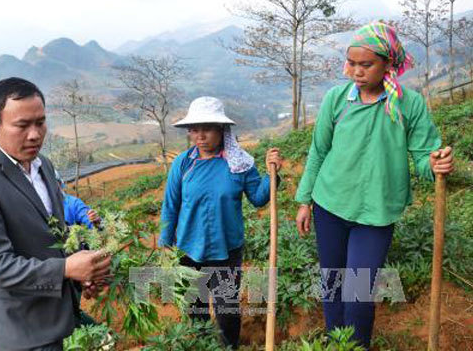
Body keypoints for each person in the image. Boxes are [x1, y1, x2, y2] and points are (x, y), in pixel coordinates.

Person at [294, 22, 454, 349]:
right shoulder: (337, 100)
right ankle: (333, 342)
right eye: (351, 63)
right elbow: (319, 150)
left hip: (376, 214)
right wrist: (304, 201)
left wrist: (435, 164)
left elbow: (424, 154)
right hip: (330, 205)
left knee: (359, 293)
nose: (356, 71)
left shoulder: (408, 105)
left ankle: (355, 345)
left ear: (388, 64)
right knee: (334, 284)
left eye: (366, 64)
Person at [0, 77, 111, 351]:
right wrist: (66, 268)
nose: (35, 134)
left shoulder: (42, 166)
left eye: (40, 122)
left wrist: (82, 271)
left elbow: (54, 236)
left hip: (52, 320)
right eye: (22, 125)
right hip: (17, 332)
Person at [159, 96, 282, 349]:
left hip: (226, 249)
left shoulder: (239, 164)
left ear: (221, 130)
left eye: (207, 128)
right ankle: (204, 346)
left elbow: (259, 198)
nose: (200, 135)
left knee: (227, 310)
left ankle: (229, 346)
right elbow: (171, 205)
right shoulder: (183, 163)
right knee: (196, 309)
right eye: (195, 129)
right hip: (189, 250)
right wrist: (165, 243)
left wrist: (273, 174)